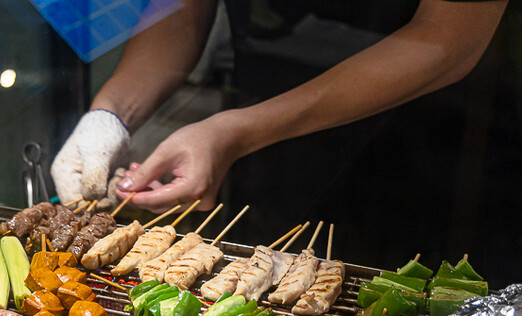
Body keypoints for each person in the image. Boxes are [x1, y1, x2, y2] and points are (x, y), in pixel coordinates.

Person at [50, 0, 509, 214]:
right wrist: (109, 115)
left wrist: (236, 132)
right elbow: (184, 7)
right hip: (264, 143)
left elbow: (448, 40)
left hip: (431, 147)